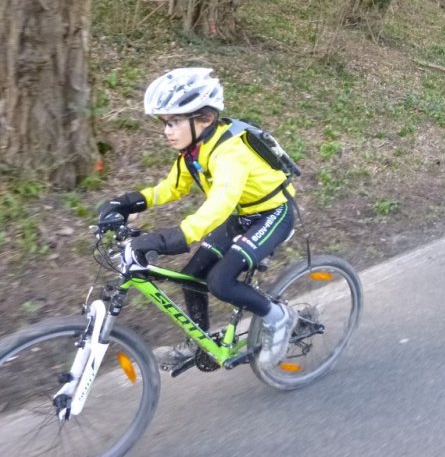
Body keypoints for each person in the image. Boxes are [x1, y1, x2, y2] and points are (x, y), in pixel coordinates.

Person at [97, 67, 298, 370]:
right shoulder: (194, 151)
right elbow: (172, 187)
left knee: (220, 281)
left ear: (205, 118)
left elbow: (220, 203)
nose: (167, 130)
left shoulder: (229, 153)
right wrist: (129, 202)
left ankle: (278, 319)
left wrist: (174, 237)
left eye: (174, 122)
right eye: (165, 123)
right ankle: (203, 343)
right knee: (193, 275)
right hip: (242, 216)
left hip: (273, 214)